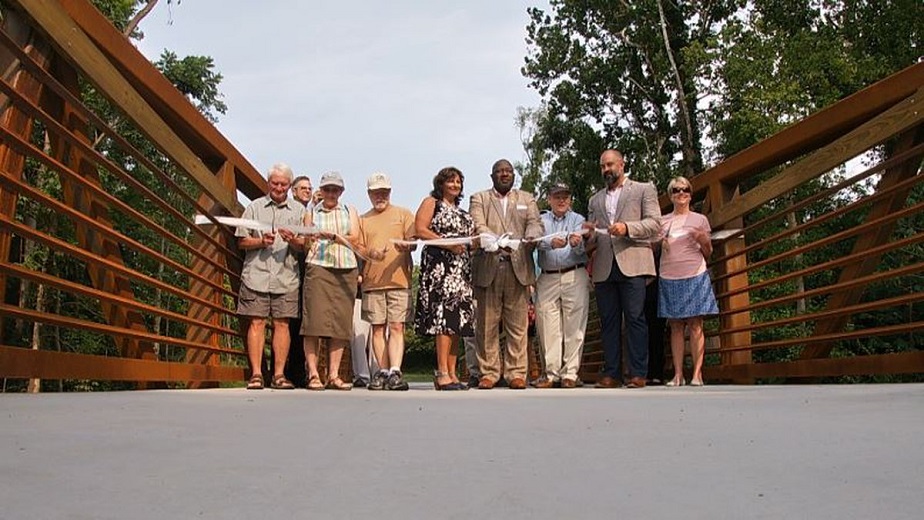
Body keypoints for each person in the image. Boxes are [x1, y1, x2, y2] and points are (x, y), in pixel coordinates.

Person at [584, 149, 661, 389]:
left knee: (636, 318)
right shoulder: (594, 200)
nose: (606, 169)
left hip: (633, 262)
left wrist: (627, 228)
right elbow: (593, 238)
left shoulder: (643, 189)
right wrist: (588, 235)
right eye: (603, 166)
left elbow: (655, 223)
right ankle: (612, 373)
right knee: (609, 321)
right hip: (605, 266)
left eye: (610, 165)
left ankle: (638, 373)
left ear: (622, 164)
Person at [470, 159, 543, 390]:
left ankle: (516, 373)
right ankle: (489, 373)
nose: (504, 174)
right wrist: (496, 241)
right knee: (486, 325)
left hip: (518, 268)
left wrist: (531, 236)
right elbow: (477, 225)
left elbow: (535, 224)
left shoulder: (526, 198)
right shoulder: (479, 198)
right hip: (488, 267)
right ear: (492, 176)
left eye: (508, 171)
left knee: (518, 326)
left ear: (513, 175)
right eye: (500, 171)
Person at [235, 163, 306, 390]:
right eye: (275, 183)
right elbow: (241, 241)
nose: (279, 187)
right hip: (256, 275)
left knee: (282, 325)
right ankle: (257, 375)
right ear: (268, 183)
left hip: (286, 277)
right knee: (255, 322)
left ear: (289, 186)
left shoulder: (299, 212)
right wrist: (260, 242)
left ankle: (278, 375)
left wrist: (292, 240)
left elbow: (305, 245)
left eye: (283, 184)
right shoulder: (254, 208)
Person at [413, 167, 475, 391]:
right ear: (441, 183)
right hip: (440, 269)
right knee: (443, 321)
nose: (455, 185)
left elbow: (471, 239)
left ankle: (452, 372)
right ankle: (441, 372)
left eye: (458, 181)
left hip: (461, 271)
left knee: (457, 323)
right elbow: (420, 229)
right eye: (450, 181)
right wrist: (447, 243)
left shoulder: (462, 211)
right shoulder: (432, 203)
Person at [357, 172, 416, 391]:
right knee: (377, 327)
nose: (380, 196)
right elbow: (359, 248)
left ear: (390, 192)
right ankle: (381, 371)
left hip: (399, 280)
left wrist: (406, 246)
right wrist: (371, 252)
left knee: (397, 326)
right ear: (369, 194)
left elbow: (413, 241)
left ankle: (395, 371)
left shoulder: (403, 214)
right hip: (372, 282)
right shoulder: (363, 220)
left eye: (384, 192)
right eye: (376, 192)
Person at [301, 171, 360, 391]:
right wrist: (310, 237)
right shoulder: (312, 212)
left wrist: (335, 237)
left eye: (335, 190)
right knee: (314, 322)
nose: (331, 193)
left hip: (345, 267)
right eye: (327, 189)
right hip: (319, 265)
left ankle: (334, 374)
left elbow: (355, 238)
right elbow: (306, 240)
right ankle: (314, 373)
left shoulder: (349, 210)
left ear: (341, 192)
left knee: (340, 323)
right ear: (321, 190)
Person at [658, 176, 719, 387]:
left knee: (695, 324)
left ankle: (697, 374)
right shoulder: (662, 221)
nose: (681, 193)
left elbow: (708, 252)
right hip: (669, 274)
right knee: (675, 326)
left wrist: (702, 239)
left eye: (685, 189)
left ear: (690, 194)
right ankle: (677, 375)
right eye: (676, 190)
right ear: (670, 195)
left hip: (695, 274)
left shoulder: (700, 220)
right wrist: (660, 241)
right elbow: (653, 248)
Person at [533, 183, 590, 389]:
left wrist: (576, 244)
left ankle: (570, 374)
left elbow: (582, 245)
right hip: (547, 276)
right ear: (549, 199)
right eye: (557, 196)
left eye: (565, 196)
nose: (561, 200)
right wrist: (549, 243)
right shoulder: (541, 220)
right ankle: (551, 374)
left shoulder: (578, 219)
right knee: (548, 326)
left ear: (570, 199)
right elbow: (535, 240)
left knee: (574, 326)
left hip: (574, 272)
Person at [284, 175, 313, 387]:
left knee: (305, 323)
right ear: (293, 191)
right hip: (288, 272)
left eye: (310, 188)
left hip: (307, 273)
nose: (307, 191)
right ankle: (289, 371)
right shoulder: (290, 212)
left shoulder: (311, 213)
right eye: (303, 188)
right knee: (291, 323)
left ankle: (300, 370)